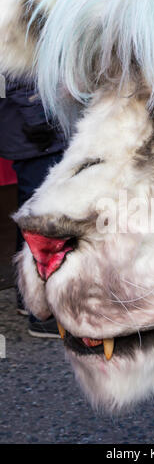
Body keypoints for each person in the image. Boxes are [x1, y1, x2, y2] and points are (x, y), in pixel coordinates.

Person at [0, 77, 67, 338]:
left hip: (29, 125)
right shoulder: (16, 35)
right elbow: (21, 75)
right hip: (36, 129)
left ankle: (26, 297)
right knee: (41, 215)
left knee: (33, 210)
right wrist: (40, 120)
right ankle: (40, 312)